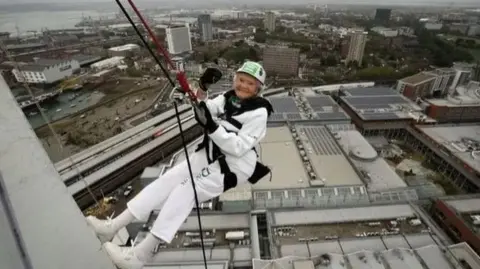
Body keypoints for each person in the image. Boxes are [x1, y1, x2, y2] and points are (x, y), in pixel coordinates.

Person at [85, 61, 274, 269]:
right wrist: (201, 89)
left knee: (185, 190)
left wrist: (211, 126)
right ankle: (113, 227)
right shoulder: (229, 97)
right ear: (235, 80)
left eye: (250, 83)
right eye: (241, 80)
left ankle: (140, 255)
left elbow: (238, 146)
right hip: (214, 151)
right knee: (167, 180)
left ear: (258, 89)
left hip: (235, 165)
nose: (243, 86)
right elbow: (205, 108)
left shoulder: (259, 113)